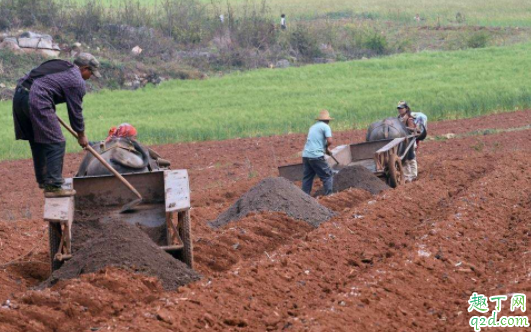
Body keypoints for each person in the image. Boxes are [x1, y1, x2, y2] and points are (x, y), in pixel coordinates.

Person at [12, 53, 101, 197]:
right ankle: (53, 186)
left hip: (19, 96)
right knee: (56, 141)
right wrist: (81, 136)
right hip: (37, 99)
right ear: (85, 68)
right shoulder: (76, 81)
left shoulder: (63, 66)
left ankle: (44, 180)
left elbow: (40, 80)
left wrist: (44, 102)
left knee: (37, 140)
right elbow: (75, 113)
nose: (90, 77)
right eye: (91, 72)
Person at [302, 110, 334, 195]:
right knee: (327, 175)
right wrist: (326, 147)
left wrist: (325, 148)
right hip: (316, 155)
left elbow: (315, 141)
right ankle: (330, 196)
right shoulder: (325, 126)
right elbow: (330, 141)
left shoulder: (313, 127)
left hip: (306, 155)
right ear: (327, 120)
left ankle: (304, 197)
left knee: (307, 177)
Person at [397, 101, 418, 182]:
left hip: (409, 140)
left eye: (401, 108)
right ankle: (406, 176)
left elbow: (412, 129)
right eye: (399, 108)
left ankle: (413, 175)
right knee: (404, 159)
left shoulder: (409, 118)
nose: (400, 110)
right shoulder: (398, 118)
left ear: (406, 109)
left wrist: (404, 128)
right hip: (402, 141)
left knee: (411, 158)